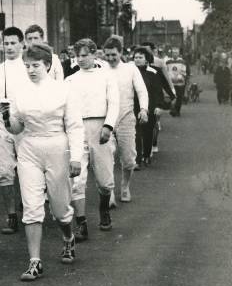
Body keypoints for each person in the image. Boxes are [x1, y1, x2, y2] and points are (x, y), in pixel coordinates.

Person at [0, 43, 83, 281]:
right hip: (29, 148)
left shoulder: (64, 90)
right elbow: (16, 128)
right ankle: (35, 261)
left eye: (35, 65)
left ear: (47, 65)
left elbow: (75, 126)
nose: (31, 70)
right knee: (32, 205)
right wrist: (7, 117)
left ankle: (68, 237)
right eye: (27, 66)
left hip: (58, 146)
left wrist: (76, 157)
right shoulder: (20, 91)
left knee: (60, 208)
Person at [66, 39, 119, 239]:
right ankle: (81, 223)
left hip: (100, 128)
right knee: (77, 179)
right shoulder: (70, 80)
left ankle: (104, 209)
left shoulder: (106, 76)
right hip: (77, 129)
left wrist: (108, 125)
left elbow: (114, 103)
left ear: (94, 54)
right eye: (77, 55)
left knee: (105, 181)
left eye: (85, 54)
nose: (80, 59)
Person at [0, 27, 29, 234]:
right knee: (4, 172)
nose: (10, 47)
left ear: (22, 44)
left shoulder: (29, 67)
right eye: (6, 43)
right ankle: (11, 215)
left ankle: (30, 209)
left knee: (28, 169)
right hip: (3, 126)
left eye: (13, 43)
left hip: (25, 126)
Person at [103, 36, 148, 205]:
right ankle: (110, 193)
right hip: (106, 119)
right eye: (107, 55)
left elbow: (141, 91)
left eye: (113, 55)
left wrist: (143, 109)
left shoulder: (131, 69)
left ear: (121, 52)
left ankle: (125, 186)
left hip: (126, 117)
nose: (110, 58)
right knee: (107, 157)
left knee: (129, 159)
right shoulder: (101, 69)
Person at [133, 47, 173, 167]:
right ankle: (137, 159)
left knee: (148, 132)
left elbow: (159, 91)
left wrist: (160, 106)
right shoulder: (131, 71)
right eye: (135, 57)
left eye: (140, 57)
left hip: (151, 106)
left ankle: (146, 155)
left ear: (147, 60)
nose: (137, 60)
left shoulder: (154, 71)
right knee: (136, 133)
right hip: (135, 106)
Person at [166, 47, 188, 116]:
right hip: (171, 83)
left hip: (180, 83)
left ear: (178, 53)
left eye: (176, 52)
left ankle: (177, 110)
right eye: (173, 53)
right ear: (171, 53)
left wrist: (179, 77)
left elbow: (183, 71)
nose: (175, 54)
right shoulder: (168, 62)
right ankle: (173, 109)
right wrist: (171, 77)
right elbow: (167, 71)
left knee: (179, 97)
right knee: (172, 96)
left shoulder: (182, 62)